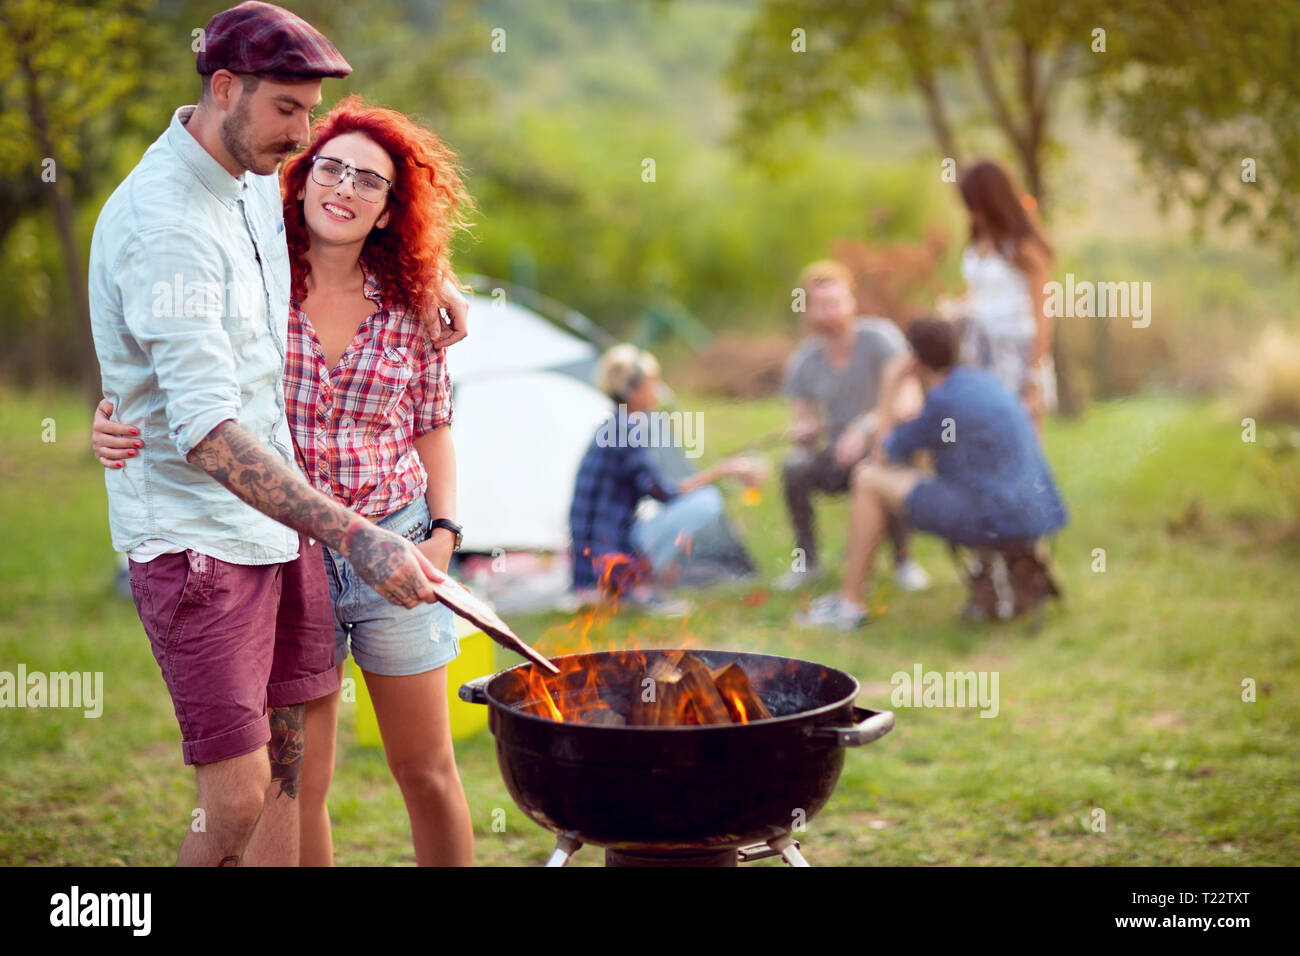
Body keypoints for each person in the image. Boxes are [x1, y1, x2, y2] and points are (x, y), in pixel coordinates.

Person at [86, 2, 465, 866]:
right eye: (288, 110)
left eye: (307, 110)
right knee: (237, 803)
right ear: (224, 89)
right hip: (202, 548)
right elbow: (207, 432)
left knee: (289, 779)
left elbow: (349, 213)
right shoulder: (167, 221)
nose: (303, 134)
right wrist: (358, 536)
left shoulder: (250, 175)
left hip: (279, 533)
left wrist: (431, 270)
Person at [797, 317, 1068, 630]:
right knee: (898, 480)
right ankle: (886, 576)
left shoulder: (942, 402)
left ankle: (850, 605)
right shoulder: (981, 383)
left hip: (997, 517)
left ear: (913, 361)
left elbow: (881, 455)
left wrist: (889, 387)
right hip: (1038, 511)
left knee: (868, 479)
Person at [568, 344, 762, 610]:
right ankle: (639, 584)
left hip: (592, 553)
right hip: (607, 551)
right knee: (707, 500)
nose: (657, 390)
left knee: (674, 509)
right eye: (652, 382)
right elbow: (665, 493)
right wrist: (725, 470)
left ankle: (639, 580)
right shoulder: (626, 431)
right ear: (631, 390)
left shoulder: (615, 425)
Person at [778, 260, 930, 592]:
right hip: (837, 455)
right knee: (794, 466)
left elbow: (911, 401)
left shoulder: (880, 338)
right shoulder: (803, 361)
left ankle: (904, 561)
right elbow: (802, 420)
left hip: (883, 446)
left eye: (836, 303)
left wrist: (866, 427)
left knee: (884, 460)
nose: (830, 312)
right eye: (821, 305)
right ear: (807, 311)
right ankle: (807, 562)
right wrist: (804, 432)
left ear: (852, 303)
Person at [952, 158, 1057, 431]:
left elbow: (1043, 313)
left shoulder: (1023, 246)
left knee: (1021, 440)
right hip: (977, 347)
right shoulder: (978, 238)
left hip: (1016, 351)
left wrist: (1035, 376)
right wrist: (956, 307)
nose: (972, 212)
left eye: (975, 203)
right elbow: (981, 292)